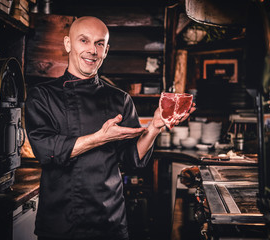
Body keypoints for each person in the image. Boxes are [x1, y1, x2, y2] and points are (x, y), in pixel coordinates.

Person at [25, 16, 195, 240]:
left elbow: (132, 159)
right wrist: (98, 138)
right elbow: (47, 152)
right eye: (83, 41)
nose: (92, 50)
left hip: (110, 221)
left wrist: (153, 128)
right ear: (68, 44)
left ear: (106, 50)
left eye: (99, 43)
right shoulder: (42, 95)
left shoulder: (120, 99)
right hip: (61, 223)